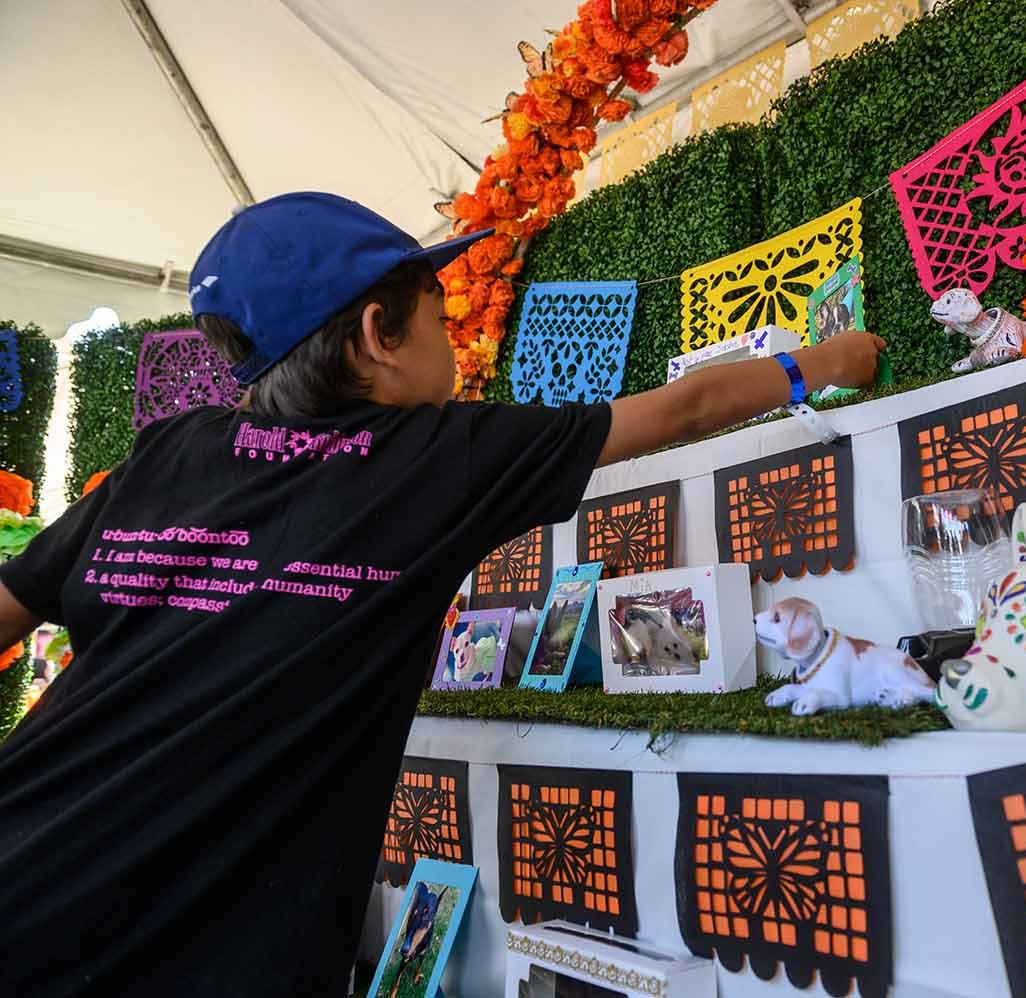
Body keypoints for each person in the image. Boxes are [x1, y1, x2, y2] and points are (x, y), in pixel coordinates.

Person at [0, 192, 884, 996]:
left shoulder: (169, 451)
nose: (451, 340)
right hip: (183, 950)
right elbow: (683, 411)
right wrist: (830, 358)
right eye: (438, 316)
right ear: (379, 335)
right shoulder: (439, 456)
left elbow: (12, 600)